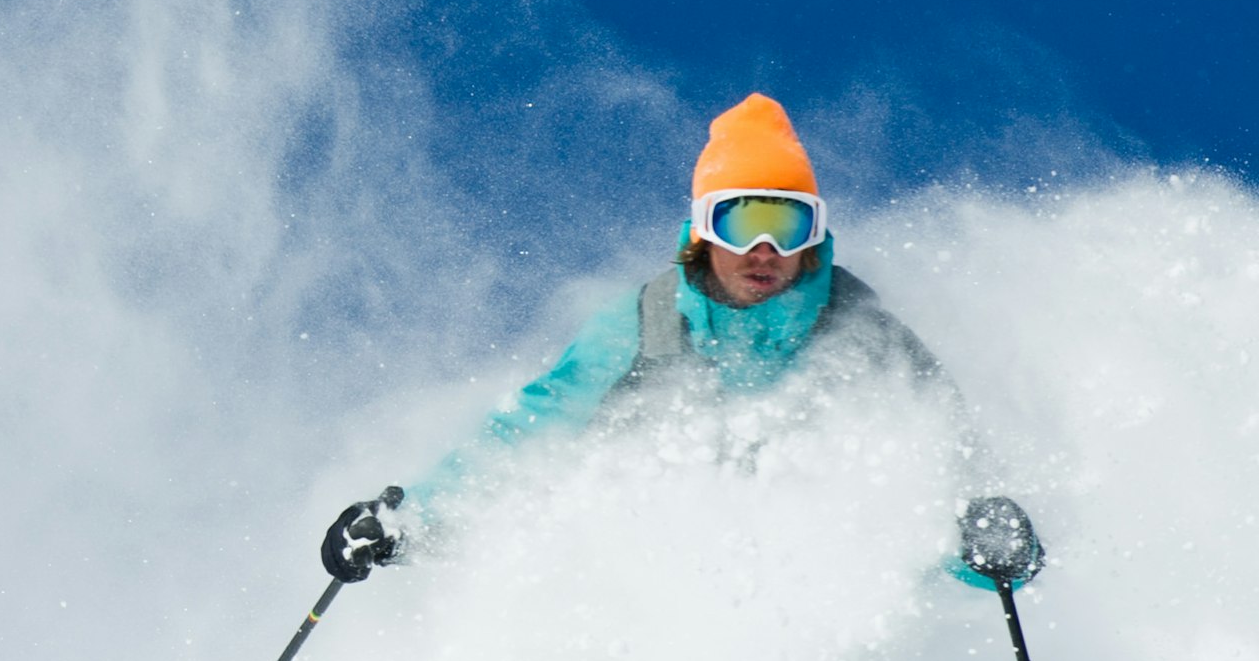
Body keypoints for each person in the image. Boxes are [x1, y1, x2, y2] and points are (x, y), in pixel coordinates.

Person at [317, 92, 1043, 588]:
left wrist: (991, 544)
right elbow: (528, 433)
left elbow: (949, 459)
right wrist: (411, 526)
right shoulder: (644, 324)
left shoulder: (862, 335)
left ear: (815, 233)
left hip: (816, 608)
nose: (763, 248)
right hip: (649, 600)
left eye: (787, 225)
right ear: (702, 228)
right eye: (739, 221)